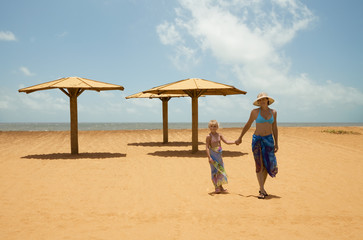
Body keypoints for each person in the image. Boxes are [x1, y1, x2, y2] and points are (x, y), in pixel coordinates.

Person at [236, 92, 278, 199]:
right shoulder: (254, 112)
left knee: (267, 166)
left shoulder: (274, 112)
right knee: (259, 165)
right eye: (260, 100)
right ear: (258, 102)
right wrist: (240, 137)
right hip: (257, 140)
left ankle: (261, 187)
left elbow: (274, 128)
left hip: (269, 140)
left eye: (264, 99)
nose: (262, 101)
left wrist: (276, 142)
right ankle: (262, 189)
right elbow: (248, 124)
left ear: (267, 100)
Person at [206, 120, 236, 194]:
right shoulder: (208, 136)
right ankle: (216, 187)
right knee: (214, 171)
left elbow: (226, 142)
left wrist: (235, 142)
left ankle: (221, 187)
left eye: (215, 126)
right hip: (213, 155)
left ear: (217, 127)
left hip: (219, 156)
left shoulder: (219, 135)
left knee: (221, 171)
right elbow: (207, 147)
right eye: (212, 126)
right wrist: (209, 157)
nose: (213, 128)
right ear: (209, 127)